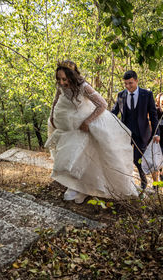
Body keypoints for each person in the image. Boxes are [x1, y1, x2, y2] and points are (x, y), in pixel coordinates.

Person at [45, 60, 138, 204]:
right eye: (59, 79)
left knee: (86, 156)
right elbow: (56, 100)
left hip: (86, 125)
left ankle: (86, 187)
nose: (62, 82)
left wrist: (87, 122)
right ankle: (75, 184)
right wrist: (52, 117)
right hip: (68, 128)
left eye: (64, 79)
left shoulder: (83, 87)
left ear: (72, 76)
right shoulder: (61, 86)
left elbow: (102, 104)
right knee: (70, 155)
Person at [111, 70, 160, 190]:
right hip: (125, 133)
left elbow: (153, 116)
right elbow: (114, 112)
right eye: (126, 84)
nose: (128, 86)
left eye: (130, 83)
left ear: (136, 81)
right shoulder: (121, 95)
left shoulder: (147, 95)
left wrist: (156, 133)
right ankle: (126, 183)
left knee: (138, 160)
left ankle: (147, 182)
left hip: (142, 133)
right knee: (123, 158)